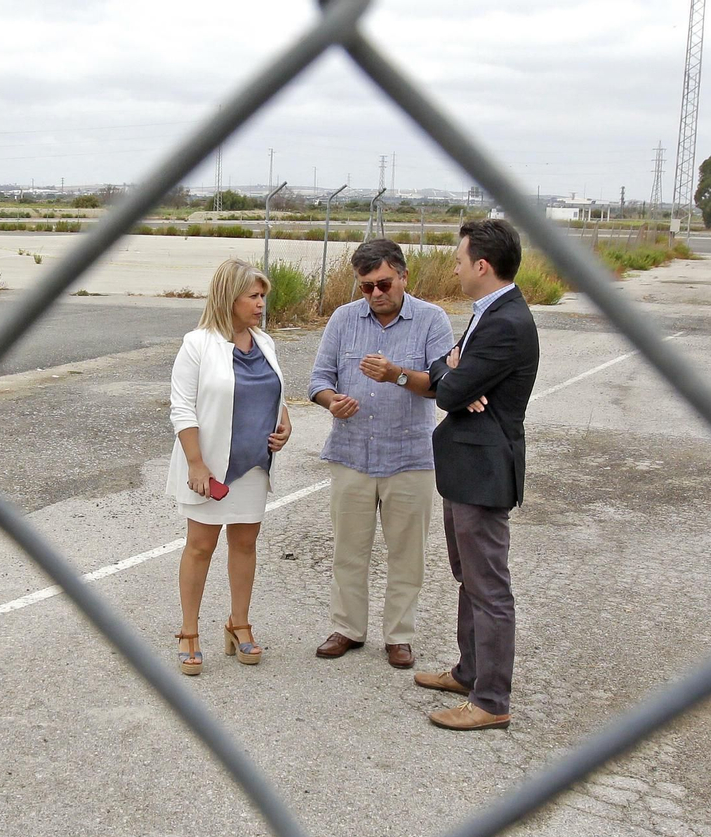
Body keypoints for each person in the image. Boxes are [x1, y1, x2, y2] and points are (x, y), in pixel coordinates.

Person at [414, 218, 540, 731]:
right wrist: (455, 372)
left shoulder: (506, 323)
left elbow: (446, 390)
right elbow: (449, 376)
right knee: (468, 577)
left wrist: (454, 375)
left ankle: (490, 700)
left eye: (459, 261)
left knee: (488, 587)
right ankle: (469, 672)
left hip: (484, 472)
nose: (455, 269)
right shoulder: (490, 313)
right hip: (466, 468)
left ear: (482, 266)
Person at [308, 239, 453, 669]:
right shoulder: (343, 319)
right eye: (366, 286)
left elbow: (444, 386)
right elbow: (318, 379)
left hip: (409, 456)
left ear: (404, 277)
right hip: (351, 453)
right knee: (348, 551)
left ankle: (399, 636)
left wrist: (397, 375)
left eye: (384, 283)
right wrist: (331, 401)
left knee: (407, 554)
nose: (375, 293)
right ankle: (348, 629)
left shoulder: (432, 319)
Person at [166, 258, 292, 675]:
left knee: (245, 544)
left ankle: (239, 624)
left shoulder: (264, 342)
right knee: (200, 546)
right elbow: (182, 408)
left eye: (262, 296)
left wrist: (285, 421)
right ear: (229, 297)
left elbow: (272, 392)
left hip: (254, 465)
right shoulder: (197, 344)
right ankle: (188, 631)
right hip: (210, 469)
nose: (261, 304)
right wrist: (196, 464)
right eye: (253, 296)